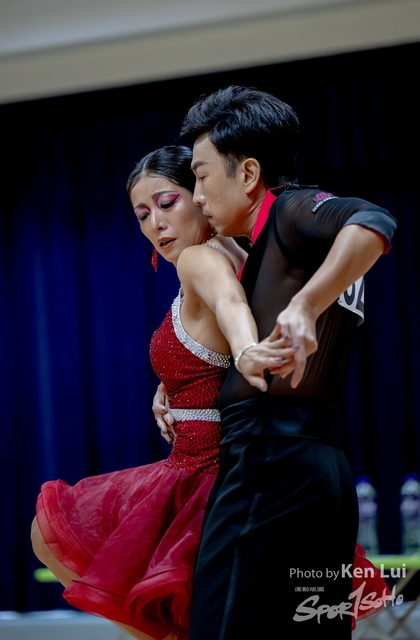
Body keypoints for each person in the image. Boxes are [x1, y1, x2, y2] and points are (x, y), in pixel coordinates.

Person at [30, 145, 291, 640]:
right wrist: (171, 384)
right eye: (142, 215)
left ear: (200, 194)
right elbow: (214, 344)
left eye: (167, 203)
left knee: (51, 532)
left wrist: (247, 350)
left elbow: (229, 304)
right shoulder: (237, 255)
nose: (156, 224)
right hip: (220, 468)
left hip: (203, 476)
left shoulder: (199, 257)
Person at [173, 86, 398, 640]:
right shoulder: (270, 248)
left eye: (201, 176)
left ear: (249, 174)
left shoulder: (292, 210)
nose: (197, 196)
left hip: (267, 464)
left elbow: (374, 221)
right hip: (321, 467)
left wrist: (305, 306)